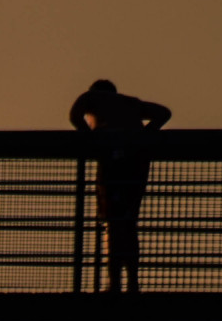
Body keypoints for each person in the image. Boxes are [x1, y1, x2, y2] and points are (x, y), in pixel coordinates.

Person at [69, 78, 172, 294]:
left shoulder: (91, 98)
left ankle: (115, 283)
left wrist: (90, 138)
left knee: (114, 223)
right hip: (138, 163)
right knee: (128, 222)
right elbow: (164, 113)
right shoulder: (130, 103)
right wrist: (146, 134)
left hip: (114, 162)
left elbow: (74, 116)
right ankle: (133, 282)